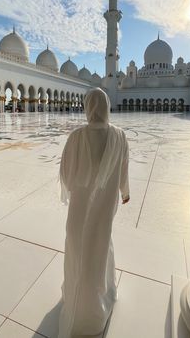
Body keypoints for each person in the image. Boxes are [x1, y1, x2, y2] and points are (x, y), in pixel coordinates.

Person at [58, 88, 130, 338]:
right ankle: (98, 304)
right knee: (100, 247)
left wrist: (78, 191)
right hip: (104, 209)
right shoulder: (120, 136)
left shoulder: (76, 137)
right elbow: (123, 169)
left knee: (78, 248)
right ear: (107, 106)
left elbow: (65, 174)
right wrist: (123, 191)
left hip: (78, 208)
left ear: (88, 106)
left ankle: (76, 300)